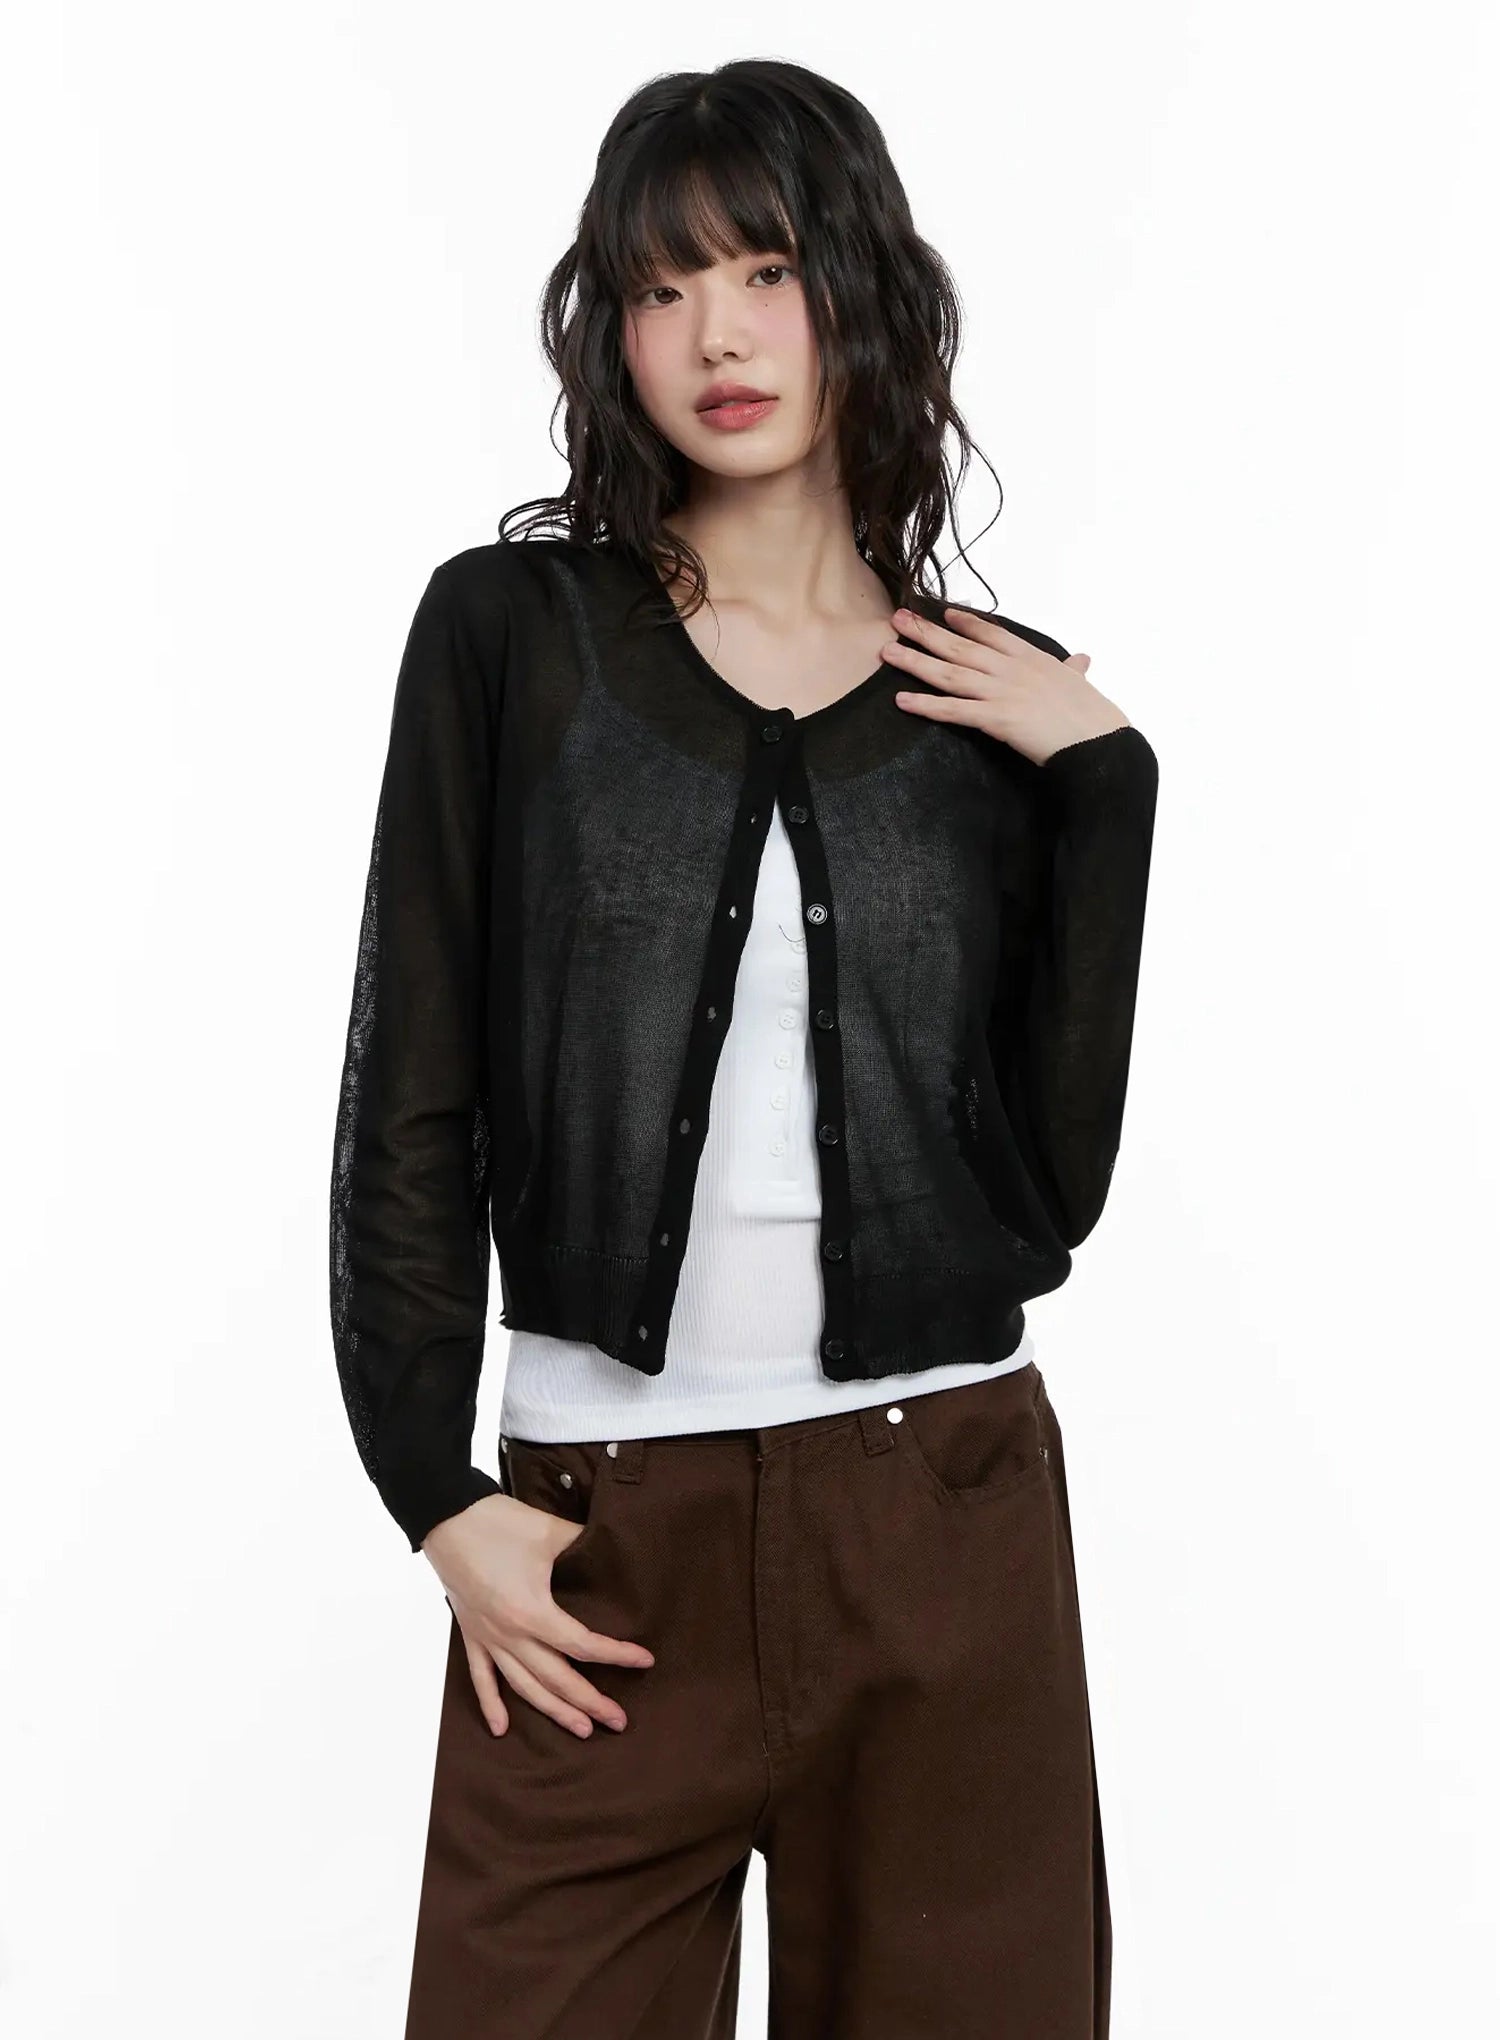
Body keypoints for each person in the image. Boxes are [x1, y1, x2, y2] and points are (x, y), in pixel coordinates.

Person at [329, 56, 1159, 2040]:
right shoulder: (513, 638)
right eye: (661, 283)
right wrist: (431, 1489)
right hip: (599, 1555)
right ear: (608, 330)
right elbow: (409, 1090)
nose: (716, 333)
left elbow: (1046, 1200)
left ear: (862, 293)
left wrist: (1108, 794)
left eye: (767, 271)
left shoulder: (987, 706)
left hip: (944, 1531)